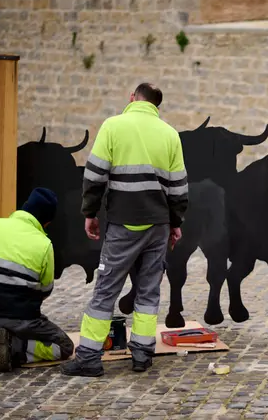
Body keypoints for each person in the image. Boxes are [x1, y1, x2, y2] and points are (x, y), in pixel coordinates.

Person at [60, 82, 188, 377]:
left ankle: (89, 358)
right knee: (148, 291)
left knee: (106, 290)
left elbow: (94, 176)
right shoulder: (170, 134)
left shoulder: (113, 126)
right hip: (157, 226)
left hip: (122, 224)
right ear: (156, 105)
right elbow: (179, 188)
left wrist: (90, 213)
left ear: (132, 98)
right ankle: (142, 355)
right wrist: (175, 223)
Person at [0, 188, 74, 372]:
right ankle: (14, 348)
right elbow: (45, 290)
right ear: (46, 222)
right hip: (21, 320)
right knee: (64, 346)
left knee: (4, 324)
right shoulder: (44, 244)